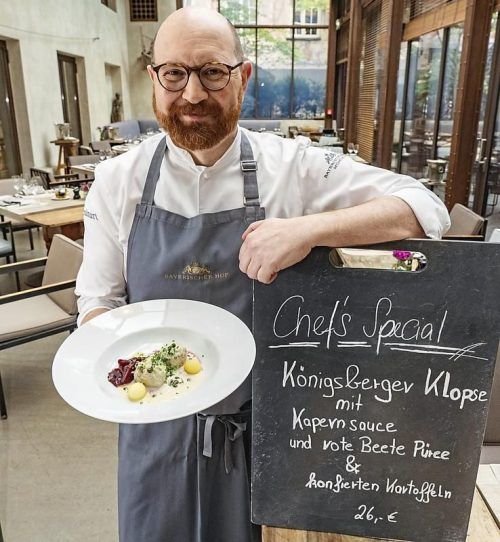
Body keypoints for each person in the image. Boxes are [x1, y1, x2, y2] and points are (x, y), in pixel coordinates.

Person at [75, 7, 450, 542]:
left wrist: (310, 229)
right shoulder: (117, 181)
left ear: (244, 77)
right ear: (154, 78)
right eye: (174, 73)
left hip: (270, 436)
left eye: (212, 72)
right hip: (153, 431)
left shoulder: (294, 168)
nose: (192, 94)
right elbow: (99, 300)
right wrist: (104, 353)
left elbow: (424, 208)